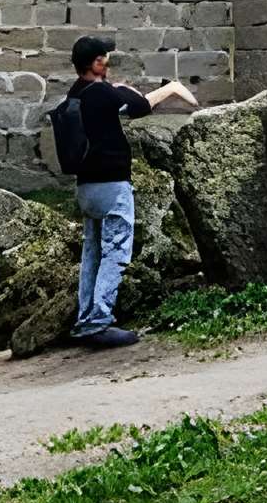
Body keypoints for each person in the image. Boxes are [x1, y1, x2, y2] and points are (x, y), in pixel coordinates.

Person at [64, 35, 197, 349]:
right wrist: (171, 88)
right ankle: (99, 321)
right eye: (106, 57)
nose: (109, 61)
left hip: (86, 187)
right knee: (116, 252)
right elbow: (140, 106)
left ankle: (86, 319)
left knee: (92, 253)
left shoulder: (75, 94)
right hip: (111, 185)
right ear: (97, 63)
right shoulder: (103, 93)